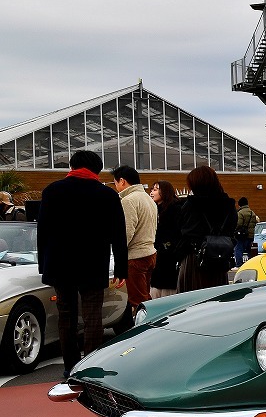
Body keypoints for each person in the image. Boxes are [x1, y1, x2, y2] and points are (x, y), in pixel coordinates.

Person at [36, 150, 127, 378]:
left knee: (66, 315)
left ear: (72, 166)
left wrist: (43, 265)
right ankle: (89, 367)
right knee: (92, 316)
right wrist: (121, 268)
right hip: (93, 263)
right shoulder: (107, 195)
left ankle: (70, 367)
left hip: (60, 264)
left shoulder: (52, 191)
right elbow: (118, 234)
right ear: (97, 169)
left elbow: (42, 232)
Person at [177, 166, 237, 292]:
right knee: (217, 296)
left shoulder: (191, 205)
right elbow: (232, 229)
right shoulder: (228, 204)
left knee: (192, 297)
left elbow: (184, 232)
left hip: (195, 259)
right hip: (220, 258)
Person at [111, 166, 157, 326]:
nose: (115, 186)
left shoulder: (128, 200)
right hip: (150, 253)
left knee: (138, 302)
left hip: (135, 257)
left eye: (115, 182)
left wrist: (117, 254)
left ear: (122, 181)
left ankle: (146, 332)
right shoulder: (147, 198)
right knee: (145, 298)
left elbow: (126, 232)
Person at [149, 180, 182, 298]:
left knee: (166, 289)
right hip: (159, 254)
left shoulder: (174, 209)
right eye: (152, 189)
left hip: (169, 256)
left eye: (155, 189)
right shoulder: (156, 209)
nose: (151, 192)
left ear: (165, 192)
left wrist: (165, 246)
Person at [234, 197, 259, 266]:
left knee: (238, 249)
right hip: (250, 235)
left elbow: (238, 224)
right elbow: (255, 223)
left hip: (241, 235)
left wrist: (234, 230)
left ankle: (239, 264)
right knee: (249, 251)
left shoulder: (240, 213)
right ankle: (251, 264)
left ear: (240, 204)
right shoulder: (252, 213)